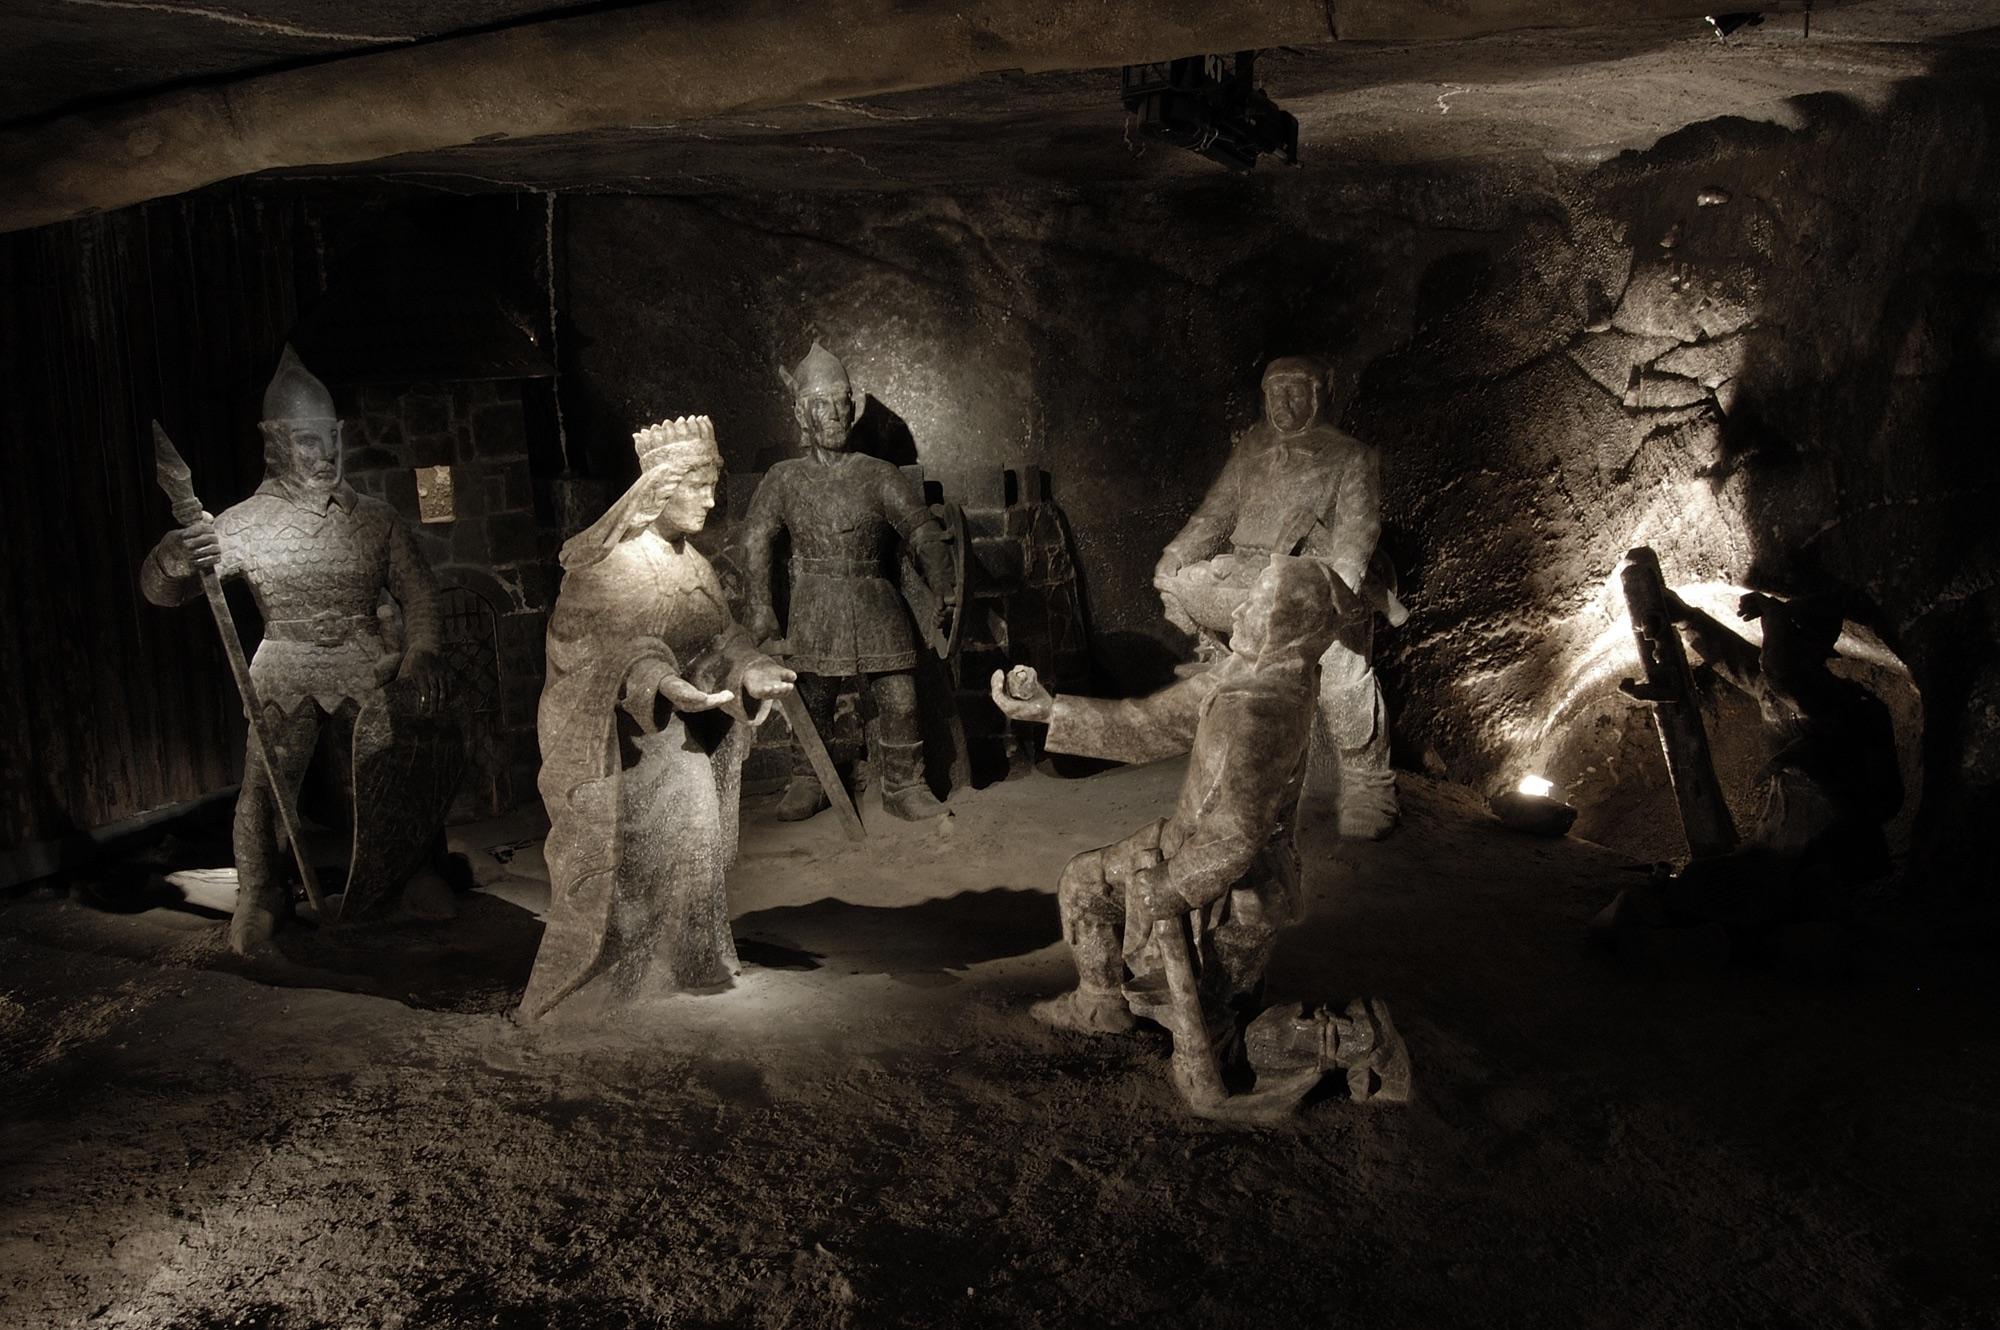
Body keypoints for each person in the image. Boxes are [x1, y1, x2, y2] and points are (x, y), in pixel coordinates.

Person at [140, 346, 443, 955]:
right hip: (285, 662)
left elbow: (421, 598)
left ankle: (409, 872)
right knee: (267, 787)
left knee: (393, 771)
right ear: (276, 443)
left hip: (367, 659)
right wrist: (175, 555)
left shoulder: (376, 519)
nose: (324, 454)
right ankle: (261, 892)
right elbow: (163, 592)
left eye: (329, 439)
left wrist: (422, 654)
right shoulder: (243, 524)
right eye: (307, 442)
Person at [992, 557, 1350, 1037]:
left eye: (1258, 605)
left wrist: (1168, 885)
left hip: (1229, 893)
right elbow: (1147, 724)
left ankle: (1115, 1006)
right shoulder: (1249, 678)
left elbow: (1238, 834)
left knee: (1218, 1025)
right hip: (1221, 871)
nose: (1240, 611)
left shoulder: (1263, 712)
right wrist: (1048, 711)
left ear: (1282, 626)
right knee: (1093, 887)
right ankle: (1110, 1004)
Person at [518, 415, 796, 1022]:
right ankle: (628, 972)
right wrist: (658, 681)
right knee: (685, 790)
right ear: (659, 488)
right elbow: (586, 656)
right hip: (617, 754)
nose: (710, 499)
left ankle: (685, 959)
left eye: (712, 484)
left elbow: (720, 638)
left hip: (677, 738)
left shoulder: (693, 567)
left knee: (693, 795)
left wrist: (748, 669)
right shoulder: (604, 571)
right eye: (696, 485)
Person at [1154, 355, 1403, 840]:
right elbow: (1214, 514)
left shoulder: (1350, 456)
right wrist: (1175, 557)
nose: (1285, 403)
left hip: (1319, 574)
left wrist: (1337, 589)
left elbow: (1356, 534)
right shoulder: (1253, 447)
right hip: (1252, 571)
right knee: (1230, 658)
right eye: (1275, 392)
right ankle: (1243, 777)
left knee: (1339, 671)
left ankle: (1368, 782)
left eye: (1296, 392)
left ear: (1318, 395)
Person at [1595, 589, 1903, 965]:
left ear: (1819, 653)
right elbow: (1733, 656)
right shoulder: (1772, 690)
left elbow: (1888, 799)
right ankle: (1713, 939)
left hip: (1833, 856)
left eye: (1794, 643)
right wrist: (1686, 617)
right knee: (1703, 884)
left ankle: (1735, 946)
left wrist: (1829, 778)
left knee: (1803, 926)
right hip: (1774, 847)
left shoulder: (1859, 712)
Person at [738, 341, 955, 821]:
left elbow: (920, 530)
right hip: (815, 601)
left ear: (852, 407)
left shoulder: (878, 475)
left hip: (876, 597)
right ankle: (810, 778)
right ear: (800, 413)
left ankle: (904, 784)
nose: (834, 413)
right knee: (813, 695)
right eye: (821, 403)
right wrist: (759, 605)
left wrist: (942, 580)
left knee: (899, 695)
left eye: (842, 401)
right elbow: (755, 539)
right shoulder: (784, 478)